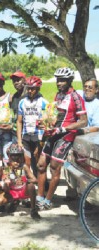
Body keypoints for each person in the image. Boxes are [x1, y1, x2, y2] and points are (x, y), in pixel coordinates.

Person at [36, 67, 87, 210]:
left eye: (62, 80)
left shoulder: (76, 97)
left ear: (70, 81)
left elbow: (83, 121)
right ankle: (39, 197)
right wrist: (45, 123)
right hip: (54, 133)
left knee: (54, 167)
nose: (59, 83)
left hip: (66, 135)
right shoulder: (58, 95)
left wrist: (64, 128)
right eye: (58, 80)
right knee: (40, 165)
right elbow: (56, 115)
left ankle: (48, 200)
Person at [0, 143, 41, 219]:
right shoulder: (7, 167)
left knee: (31, 185)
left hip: (23, 191)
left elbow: (35, 180)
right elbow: (5, 178)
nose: (16, 161)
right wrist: (6, 181)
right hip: (13, 192)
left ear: (21, 157)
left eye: (17, 158)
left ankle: (33, 209)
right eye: (13, 158)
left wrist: (26, 181)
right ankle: (13, 202)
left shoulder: (24, 167)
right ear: (9, 157)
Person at [16, 76, 49, 175]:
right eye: (28, 88)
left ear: (38, 89)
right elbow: (19, 121)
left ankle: (41, 183)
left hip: (38, 136)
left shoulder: (44, 102)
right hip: (26, 135)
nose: (30, 91)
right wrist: (19, 140)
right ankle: (29, 184)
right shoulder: (22, 102)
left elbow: (48, 122)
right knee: (26, 162)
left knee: (38, 160)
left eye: (32, 89)